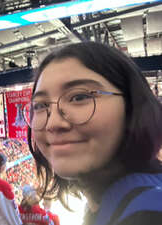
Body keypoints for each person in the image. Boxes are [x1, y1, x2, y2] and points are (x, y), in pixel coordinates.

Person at [23, 41, 162, 225]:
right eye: (40, 105)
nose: (53, 123)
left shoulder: (149, 214)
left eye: (79, 97)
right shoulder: (106, 204)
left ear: (132, 105)